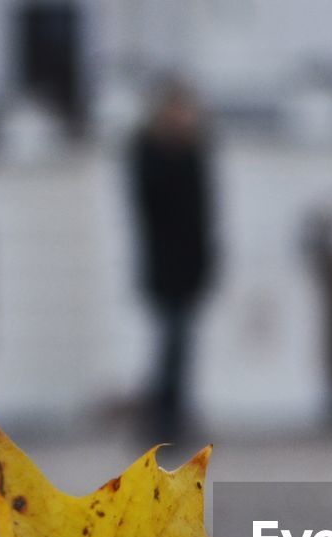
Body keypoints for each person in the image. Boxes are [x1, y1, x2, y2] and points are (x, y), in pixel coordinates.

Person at [130, 79, 216, 443]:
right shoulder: (152, 152)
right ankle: (162, 419)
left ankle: (172, 416)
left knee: (179, 345)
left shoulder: (194, 151)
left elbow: (204, 212)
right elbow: (152, 205)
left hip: (188, 267)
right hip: (166, 267)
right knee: (170, 344)